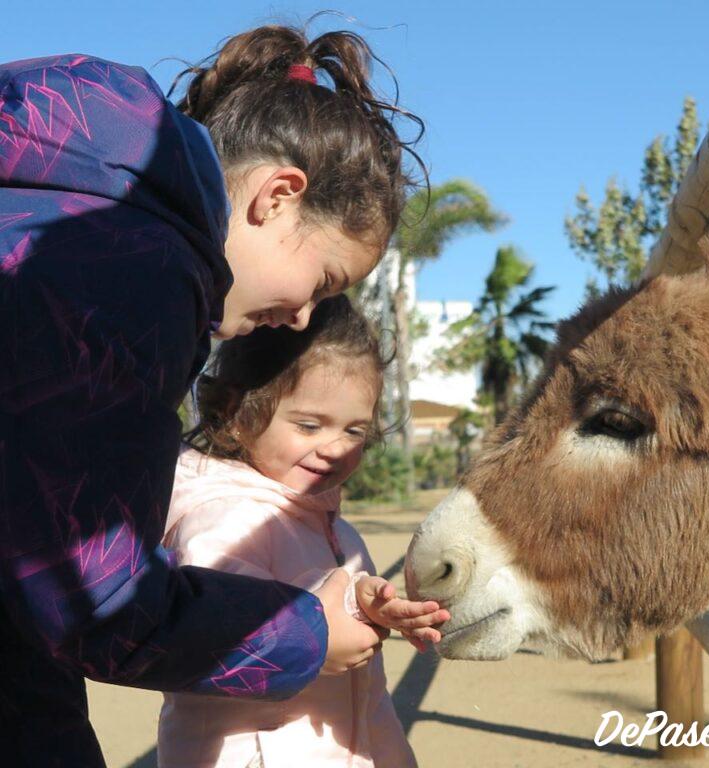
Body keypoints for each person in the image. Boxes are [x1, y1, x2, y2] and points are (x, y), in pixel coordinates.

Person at [0, 25, 425, 767]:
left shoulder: (64, 194)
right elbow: (92, 598)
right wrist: (311, 633)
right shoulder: (138, 275)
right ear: (277, 196)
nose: (299, 320)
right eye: (321, 285)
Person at [159, 296, 445, 768]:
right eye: (309, 425)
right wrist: (329, 619)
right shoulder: (224, 518)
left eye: (355, 431)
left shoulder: (341, 534)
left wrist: (375, 609)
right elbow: (226, 632)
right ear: (234, 411)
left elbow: (368, 697)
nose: (334, 448)